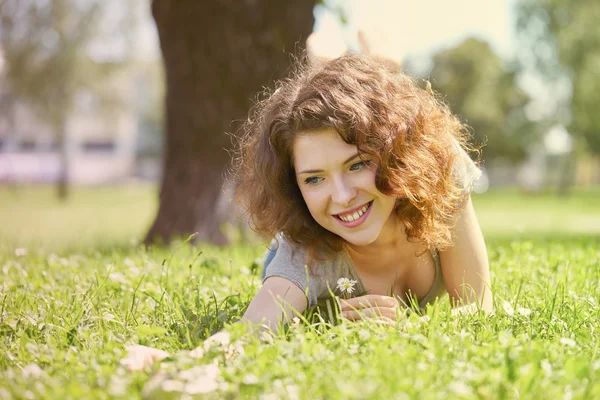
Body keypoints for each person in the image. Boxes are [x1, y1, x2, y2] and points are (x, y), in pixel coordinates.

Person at [122, 54, 492, 370]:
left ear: (394, 153)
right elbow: (252, 332)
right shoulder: (305, 249)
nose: (342, 196)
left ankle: (377, 56)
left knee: (380, 72)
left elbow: (479, 312)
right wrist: (183, 363)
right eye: (314, 180)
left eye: (357, 164)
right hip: (305, 247)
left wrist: (413, 331)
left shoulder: (441, 177)